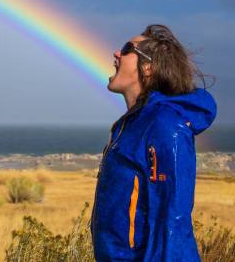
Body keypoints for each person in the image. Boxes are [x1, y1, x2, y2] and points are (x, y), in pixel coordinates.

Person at [90, 24, 217, 261]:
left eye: (127, 49)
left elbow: (172, 221)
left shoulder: (165, 125)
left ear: (148, 67)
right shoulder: (127, 126)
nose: (116, 53)